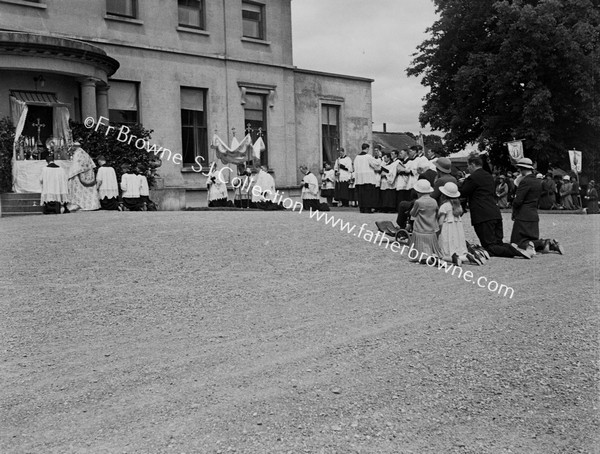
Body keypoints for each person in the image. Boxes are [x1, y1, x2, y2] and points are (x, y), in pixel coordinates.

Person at [459, 153, 530, 258]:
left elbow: (463, 192)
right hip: (494, 212)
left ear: (473, 164)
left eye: (468, 166)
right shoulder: (489, 176)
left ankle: (518, 252)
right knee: (498, 243)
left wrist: (462, 183)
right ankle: (519, 248)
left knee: (489, 246)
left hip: (482, 215)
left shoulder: (473, 178)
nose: (468, 168)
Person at [510, 158, 564, 255]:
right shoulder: (537, 181)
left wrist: (514, 212)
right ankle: (549, 244)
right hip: (533, 214)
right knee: (531, 239)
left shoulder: (525, 181)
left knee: (516, 242)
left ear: (522, 169)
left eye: (519, 169)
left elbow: (518, 201)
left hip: (523, 214)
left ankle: (544, 242)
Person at [437, 182, 478, 266]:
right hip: (457, 228)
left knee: (447, 242)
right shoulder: (458, 206)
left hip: (447, 227)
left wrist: (438, 230)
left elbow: (441, 222)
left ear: (444, 195)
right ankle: (465, 256)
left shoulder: (444, 206)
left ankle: (452, 257)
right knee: (457, 241)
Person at [408, 179, 442, 264]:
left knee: (421, 243)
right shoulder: (434, 201)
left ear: (418, 191)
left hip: (420, 227)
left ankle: (421, 256)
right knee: (430, 244)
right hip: (431, 228)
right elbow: (437, 212)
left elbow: (413, 213)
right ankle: (432, 255)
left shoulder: (418, 202)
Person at [66, 144, 100, 211]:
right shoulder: (85, 154)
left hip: (78, 175)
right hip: (88, 174)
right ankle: (92, 205)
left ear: (75, 147)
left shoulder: (77, 154)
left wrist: (69, 175)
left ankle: (78, 205)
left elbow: (75, 167)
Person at [353, 143, 381, 213]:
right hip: (368, 178)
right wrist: (379, 157)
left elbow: (355, 167)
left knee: (361, 194)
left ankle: (362, 208)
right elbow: (375, 164)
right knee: (368, 195)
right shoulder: (368, 156)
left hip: (359, 179)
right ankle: (367, 208)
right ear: (367, 149)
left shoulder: (356, 157)